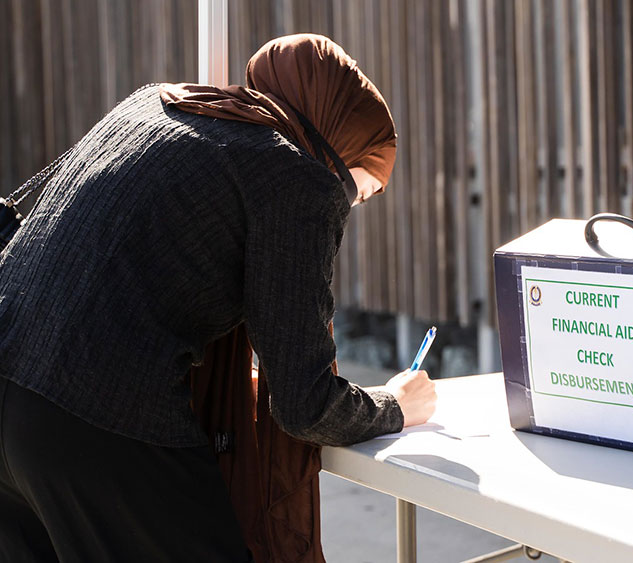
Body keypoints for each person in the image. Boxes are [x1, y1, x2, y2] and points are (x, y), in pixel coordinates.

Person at [0, 34, 436, 561]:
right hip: (96, 420)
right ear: (335, 150)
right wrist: (394, 406)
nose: (349, 205)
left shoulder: (157, 104)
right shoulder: (297, 177)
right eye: (358, 190)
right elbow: (305, 405)